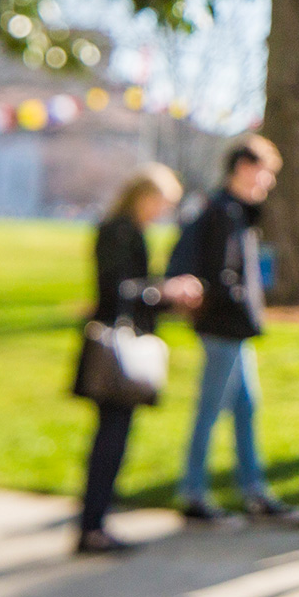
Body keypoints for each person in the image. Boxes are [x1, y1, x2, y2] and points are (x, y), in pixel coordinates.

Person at [173, 135, 299, 524]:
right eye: (265, 173)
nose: (269, 183)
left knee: (247, 408)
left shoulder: (236, 212)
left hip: (235, 329)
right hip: (222, 329)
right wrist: (232, 301)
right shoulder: (221, 212)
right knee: (210, 410)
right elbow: (214, 271)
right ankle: (193, 492)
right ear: (245, 168)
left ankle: (254, 491)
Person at [73, 165, 202, 553]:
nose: (164, 211)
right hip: (113, 351)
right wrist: (165, 292)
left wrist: (170, 300)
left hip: (124, 344)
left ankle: (96, 523)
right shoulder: (117, 230)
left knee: (116, 437)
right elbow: (118, 291)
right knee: (110, 439)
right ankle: (92, 526)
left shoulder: (132, 231)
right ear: (146, 196)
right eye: (164, 203)